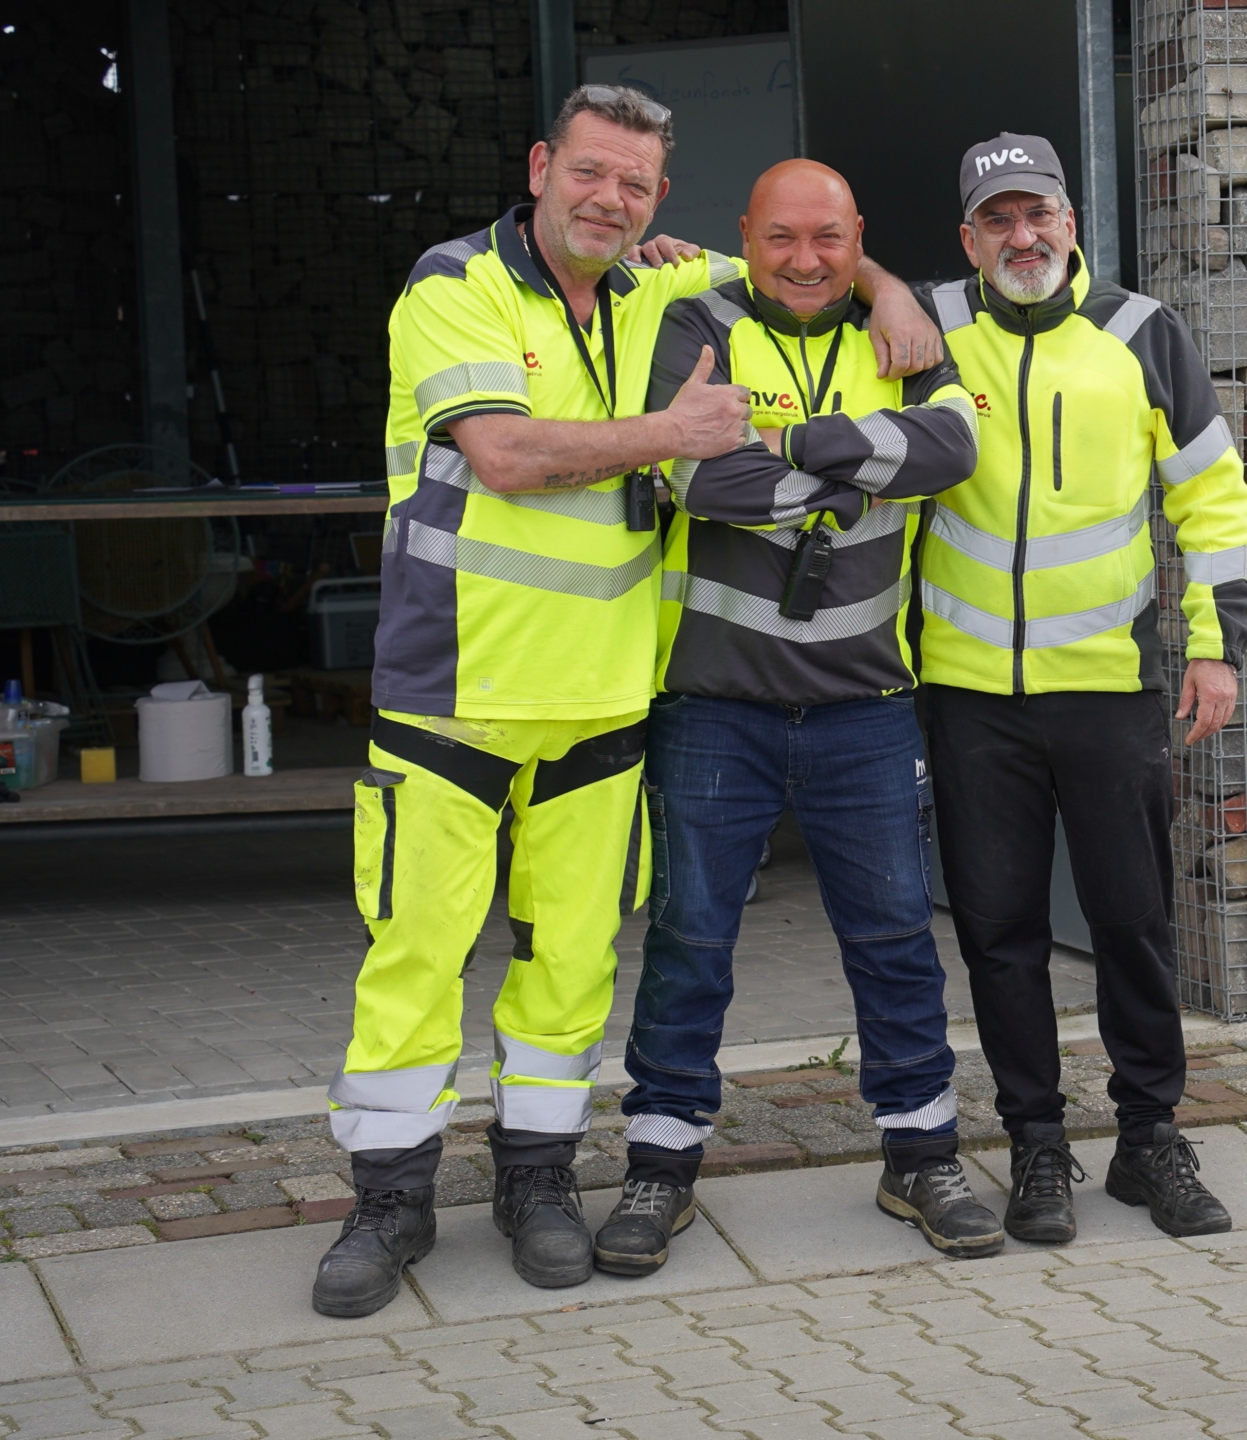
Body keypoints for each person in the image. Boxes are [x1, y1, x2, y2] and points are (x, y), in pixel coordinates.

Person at [313, 86, 939, 1319]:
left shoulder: (661, 284)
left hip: (606, 702)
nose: (609, 201)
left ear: (660, 200)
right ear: (544, 166)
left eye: (636, 186)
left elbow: (804, 258)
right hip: (456, 698)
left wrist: (891, 289)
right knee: (416, 960)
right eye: (591, 174)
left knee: (571, 968)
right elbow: (506, 456)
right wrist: (672, 429)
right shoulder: (456, 284)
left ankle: (537, 1184)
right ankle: (387, 1202)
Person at [595, 158, 1000, 1273]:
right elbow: (695, 481)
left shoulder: (905, 332)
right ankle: (659, 1167)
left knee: (892, 945)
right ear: (745, 234)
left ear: (856, 236)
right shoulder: (697, 317)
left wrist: (784, 446)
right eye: (781, 238)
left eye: (829, 239)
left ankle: (919, 1155)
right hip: (714, 709)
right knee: (688, 946)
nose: (806, 260)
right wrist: (869, 467)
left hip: (864, 707)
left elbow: (954, 451)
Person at [915, 135, 1247, 1244]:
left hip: (1110, 689)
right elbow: (797, 286)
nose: (1023, 236)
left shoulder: (1140, 332)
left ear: (1072, 222)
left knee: (1133, 925)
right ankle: (1038, 1147)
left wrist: (1216, 647)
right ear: (968, 238)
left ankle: (1149, 1139)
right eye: (998, 220)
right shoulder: (921, 333)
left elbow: (1210, 498)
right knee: (1000, 934)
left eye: (1039, 214)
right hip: (968, 697)